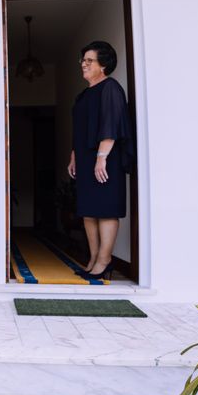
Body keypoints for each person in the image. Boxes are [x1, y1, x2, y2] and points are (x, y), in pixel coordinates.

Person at [67, 41, 134, 280]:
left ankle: (105, 260)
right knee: (88, 211)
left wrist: (102, 157)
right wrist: (74, 155)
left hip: (105, 159)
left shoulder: (110, 88)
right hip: (86, 159)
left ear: (103, 65)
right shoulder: (84, 94)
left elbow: (111, 124)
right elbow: (79, 128)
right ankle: (93, 258)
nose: (83, 64)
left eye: (89, 60)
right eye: (82, 60)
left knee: (105, 210)